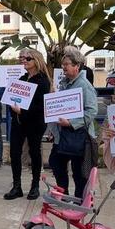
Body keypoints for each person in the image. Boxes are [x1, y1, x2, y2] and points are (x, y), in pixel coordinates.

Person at [47, 50, 98, 199]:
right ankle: (64, 195)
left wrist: (71, 123)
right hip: (63, 135)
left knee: (79, 172)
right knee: (56, 163)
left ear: (77, 66)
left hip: (79, 136)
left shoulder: (84, 85)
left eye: (67, 64)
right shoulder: (65, 83)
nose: (63, 67)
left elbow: (92, 111)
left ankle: (79, 200)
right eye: (62, 64)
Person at [3, 48, 52, 200]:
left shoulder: (43, 81)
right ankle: (16, 186)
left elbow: (41, 106)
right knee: (14, 153)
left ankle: (35, 186)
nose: (23, 60)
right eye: (22, 58)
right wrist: (14, 110)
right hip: (18, 123)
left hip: (35, 123)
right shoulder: (22, 79)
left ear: (36, 61)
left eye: (27, 58)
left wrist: (22, 111)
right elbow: (12, 98)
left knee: (35, 153)